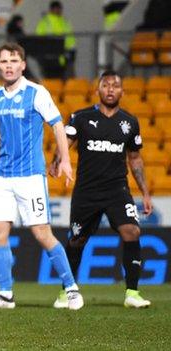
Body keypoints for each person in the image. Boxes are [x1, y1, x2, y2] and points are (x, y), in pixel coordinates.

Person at [0, 42, 83, 310]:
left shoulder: (36, 92)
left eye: (13, 61)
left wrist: (66, 160)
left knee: (42, 233)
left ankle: (71, 289)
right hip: (2, 177)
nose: (8, 66)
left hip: (31, 177)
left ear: (23, 65)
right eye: (3, 61)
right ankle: (5, 295)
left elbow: (58, 125)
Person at [49, 70, 153, 309]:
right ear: (98, 90)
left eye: (115, 86)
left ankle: (132, 293)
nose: (110, 89)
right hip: (87, 190)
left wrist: (145, 191)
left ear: (122, 92)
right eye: (105, 85)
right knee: (77, 240)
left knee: (132, 231)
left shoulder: (130, 123)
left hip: (118, 189)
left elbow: (135, 159)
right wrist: (57, 160)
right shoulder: (81, 117)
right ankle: (67, 291)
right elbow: (66, 144)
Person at [35, 1, 76, 78]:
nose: (59, 11)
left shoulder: (64, 21)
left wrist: (71, 50)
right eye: (57, 9)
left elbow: (71, 38)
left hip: (64, 55)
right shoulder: (45, 22)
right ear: (52, 9)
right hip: (50, 56)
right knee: (51, 78)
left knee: (64, 78)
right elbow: (39, 37)